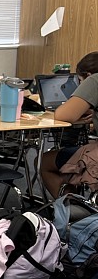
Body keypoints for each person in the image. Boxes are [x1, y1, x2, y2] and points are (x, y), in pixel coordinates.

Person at [39, 52, 98, 198]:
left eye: (79, 81)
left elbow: (63, 115)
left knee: (43, 162)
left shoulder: (95, 80)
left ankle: (73, 212)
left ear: (88, 75)